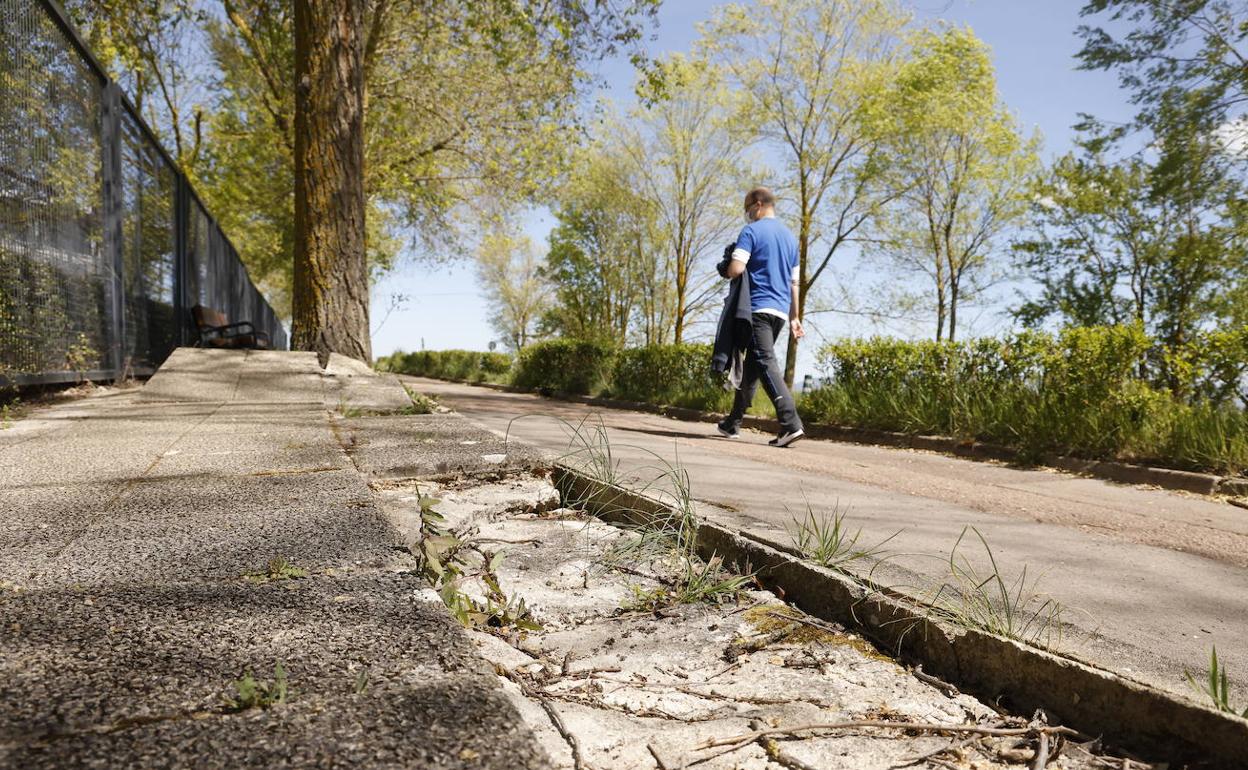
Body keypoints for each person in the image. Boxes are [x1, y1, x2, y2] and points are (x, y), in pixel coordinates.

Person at [715, 187, 805, 447]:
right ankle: (733, 422)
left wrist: (726, 266)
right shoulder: (790, 239)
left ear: (757, 204)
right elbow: (794, 283)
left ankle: (791, 423)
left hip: (756, 309)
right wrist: (795, 317)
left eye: (747, 209)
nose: (747, 214)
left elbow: (736, 269)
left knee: (765, 362)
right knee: (753, 367)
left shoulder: (751, 231)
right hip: (780, 311)